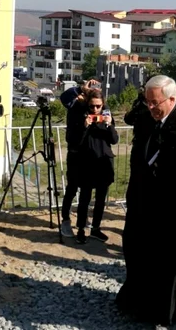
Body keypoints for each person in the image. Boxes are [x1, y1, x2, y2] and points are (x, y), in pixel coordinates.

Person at [116, 75, 176, 327]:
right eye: (148, 102)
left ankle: (165, 310)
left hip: (174, 207)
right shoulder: (145, 120)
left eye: (156, 103)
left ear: (173, 99)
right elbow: (137, 158)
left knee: (168, 262)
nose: (152, 108)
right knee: (136, 252)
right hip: (142, 201)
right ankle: (136, 301)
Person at [72, 89, 118, 244]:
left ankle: (96, 228)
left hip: (103, 163)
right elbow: (76, 142)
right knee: (84, 199)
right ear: (88, 105)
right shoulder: (82, 117)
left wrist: (109, 124)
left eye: (98, 106)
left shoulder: (106, 117)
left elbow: (114, 140)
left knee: (100, 200)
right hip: (86, 164)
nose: (95, 110)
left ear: (103, 104)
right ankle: (80, 229)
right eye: (92, 106)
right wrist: (85, 127)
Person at [60, 78, 100, 238]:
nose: (94, 108)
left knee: (87, 190)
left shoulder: (96, 110)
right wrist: (80, 88)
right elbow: (64, 97)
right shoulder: (76, 106)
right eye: (92, 103)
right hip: (75, 153)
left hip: (90, 154)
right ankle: (65, 220)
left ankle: (82, 221)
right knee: (72, 188)